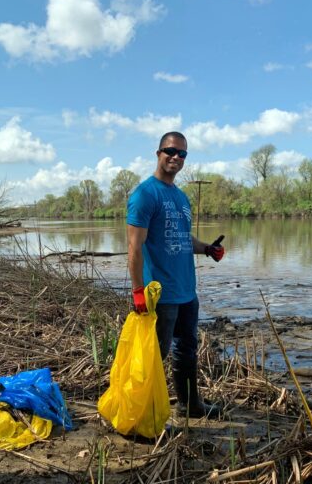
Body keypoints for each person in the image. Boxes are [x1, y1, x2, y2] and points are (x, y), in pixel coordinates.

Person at [126, 131, 225, 419]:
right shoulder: (145, 194)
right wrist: (137, 291)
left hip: (186, 292)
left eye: (182, 153)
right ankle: (144, 417)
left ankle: (190, 405)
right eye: (171, 151)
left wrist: (207, 248)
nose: (176, 157)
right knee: (154, 358)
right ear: (158, 153)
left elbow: (183, 238)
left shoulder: (181, 197)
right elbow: (134, 247)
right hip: (160, 294)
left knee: (187, 352)